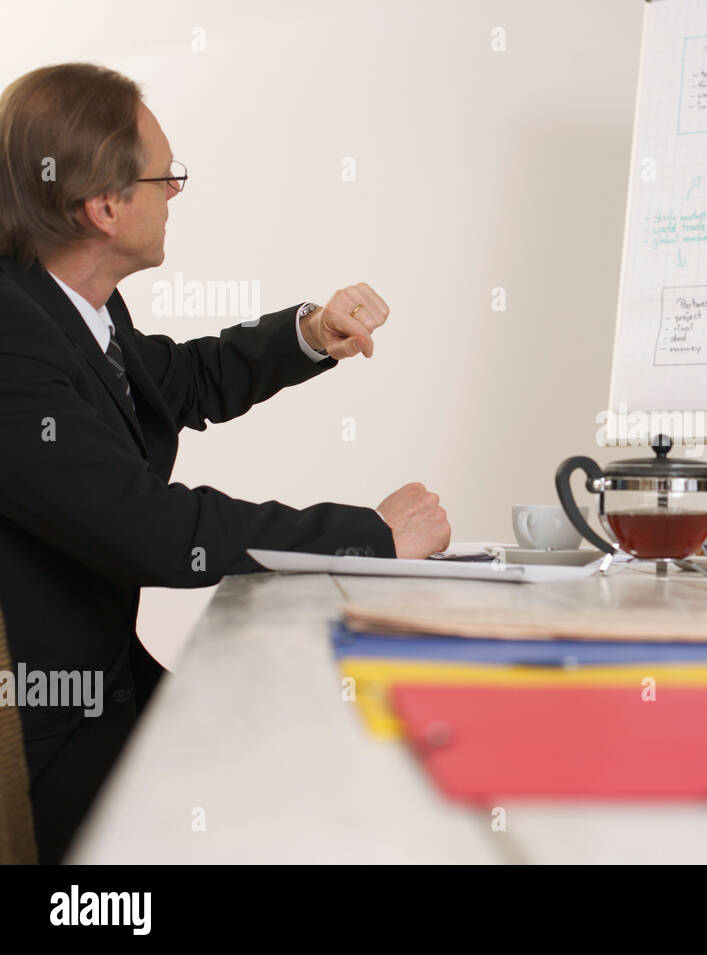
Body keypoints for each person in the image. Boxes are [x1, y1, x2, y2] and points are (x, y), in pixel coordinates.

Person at [0, 63, 451, 862]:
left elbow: (176, 380)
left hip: (103, 687)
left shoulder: (64, 301)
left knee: (299, 759)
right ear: (105, 208)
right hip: (42, 738)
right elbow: (148, 527)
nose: (176, 191)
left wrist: (311, 331)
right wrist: (368, 536)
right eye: (164, 177)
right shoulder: (11, 334)